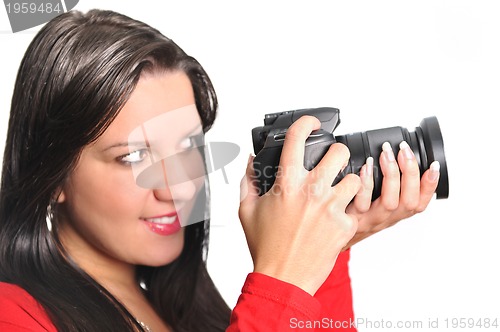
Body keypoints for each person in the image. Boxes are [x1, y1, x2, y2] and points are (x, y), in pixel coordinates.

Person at [0, 9, 440, 332]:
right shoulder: (12, 315)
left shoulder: (184, 314)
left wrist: (320, 258)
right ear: (53, 175)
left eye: (189, 146)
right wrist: (280, 283)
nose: (175, 188)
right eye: (133, 157)